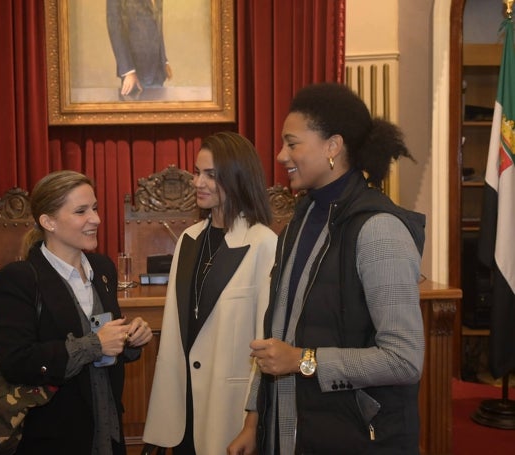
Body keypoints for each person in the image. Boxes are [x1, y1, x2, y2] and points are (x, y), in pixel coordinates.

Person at [232, 82, 426, 455]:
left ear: (332, 147)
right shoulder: (300, 218)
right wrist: (254, 421)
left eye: (292, 143)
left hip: (356, 437)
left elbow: (403, 359)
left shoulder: (378, 230)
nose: (279, 155)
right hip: (294, 431)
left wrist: (304, 360)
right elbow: (279, 335)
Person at [0, 170, 153, 454]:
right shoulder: (19, 279)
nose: (96, 219)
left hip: (108, 431)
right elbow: (17, 363)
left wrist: (130, 339)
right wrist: (94, 344)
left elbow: (105, 338)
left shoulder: (103, 269)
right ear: (48, 221)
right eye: (81, 211)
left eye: (95, 207)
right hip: (54, 438)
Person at [142, 131, 278, 454]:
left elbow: (265, 342)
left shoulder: (264, 244)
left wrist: (253, 421)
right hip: (181, 406)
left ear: (238, 178)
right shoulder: (188, 240)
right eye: (196, 171)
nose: (197, 182)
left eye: (210, 175)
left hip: (228, 408)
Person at [106, 0, 172, 96]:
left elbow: (156, 24)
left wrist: (164, 60)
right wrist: (128, 71)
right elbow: (115, 29)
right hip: (135, 72)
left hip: (157, 70)